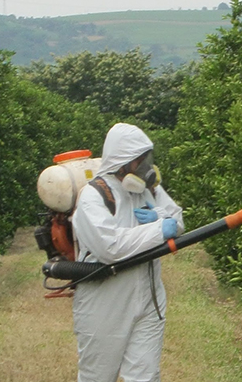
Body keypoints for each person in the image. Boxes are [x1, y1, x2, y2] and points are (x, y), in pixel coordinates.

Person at [71, 123, 184, 382]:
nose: (145, 167)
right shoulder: (94, 196)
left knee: (146, 376)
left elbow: (177, 220)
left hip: (149, 297)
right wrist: (159, 230)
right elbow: (110, 247)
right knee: (97, 377)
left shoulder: (148, 189)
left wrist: (160, 216)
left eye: (147, 159)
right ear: (121, 162)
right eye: (139, 160)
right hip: (105, 301)